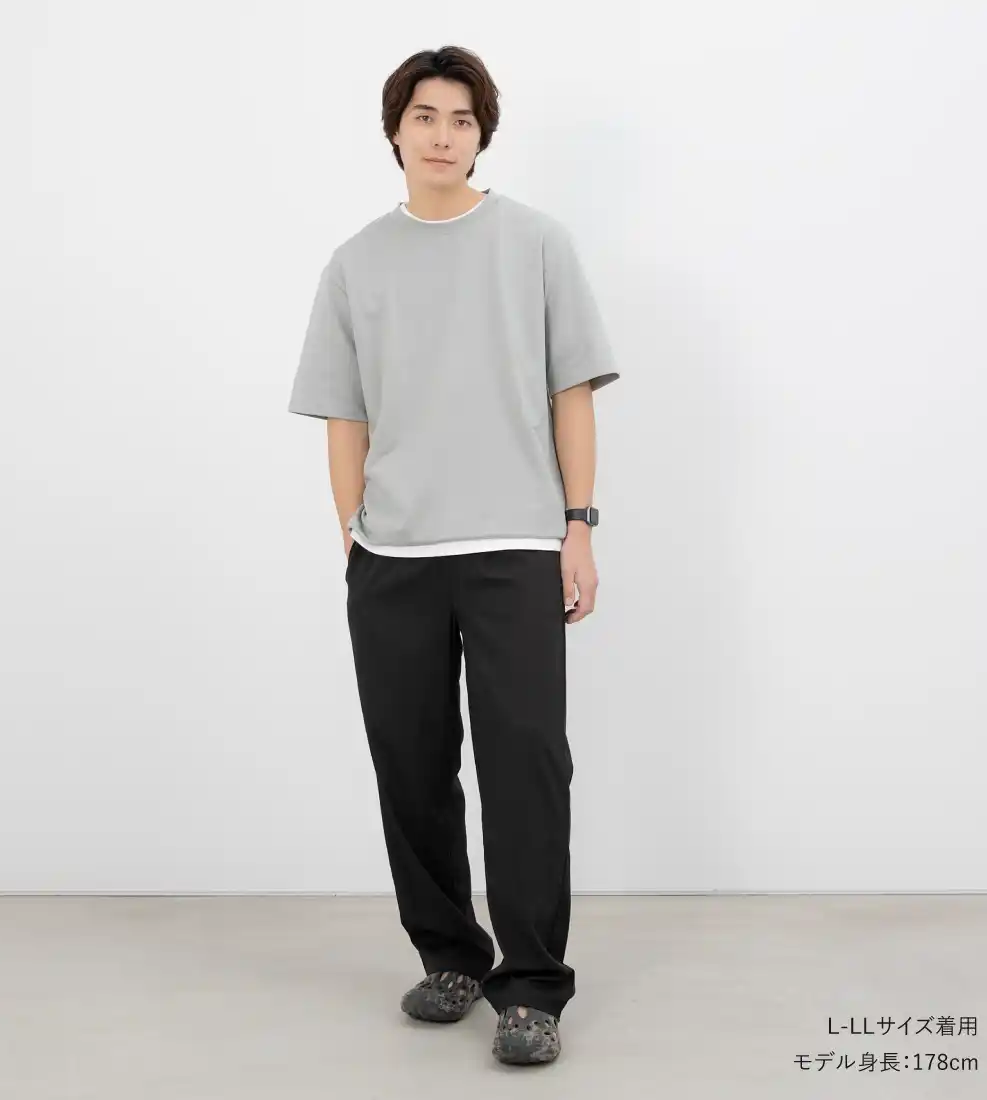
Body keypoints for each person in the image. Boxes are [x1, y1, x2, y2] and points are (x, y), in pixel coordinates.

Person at [287, 45, 620, 1066]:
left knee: (528, 764)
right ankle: (449, 956)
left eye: (462, 119)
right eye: (424, 116)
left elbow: (570, 391)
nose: (442, 135)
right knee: (411, 763)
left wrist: (577, 524)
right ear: (395, 130)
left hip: (516, 543)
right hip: (393, 554)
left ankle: (532, 987)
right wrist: (352, 530)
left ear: (483, 134)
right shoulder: (355, 262)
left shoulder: (535, 243)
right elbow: (343, 411)